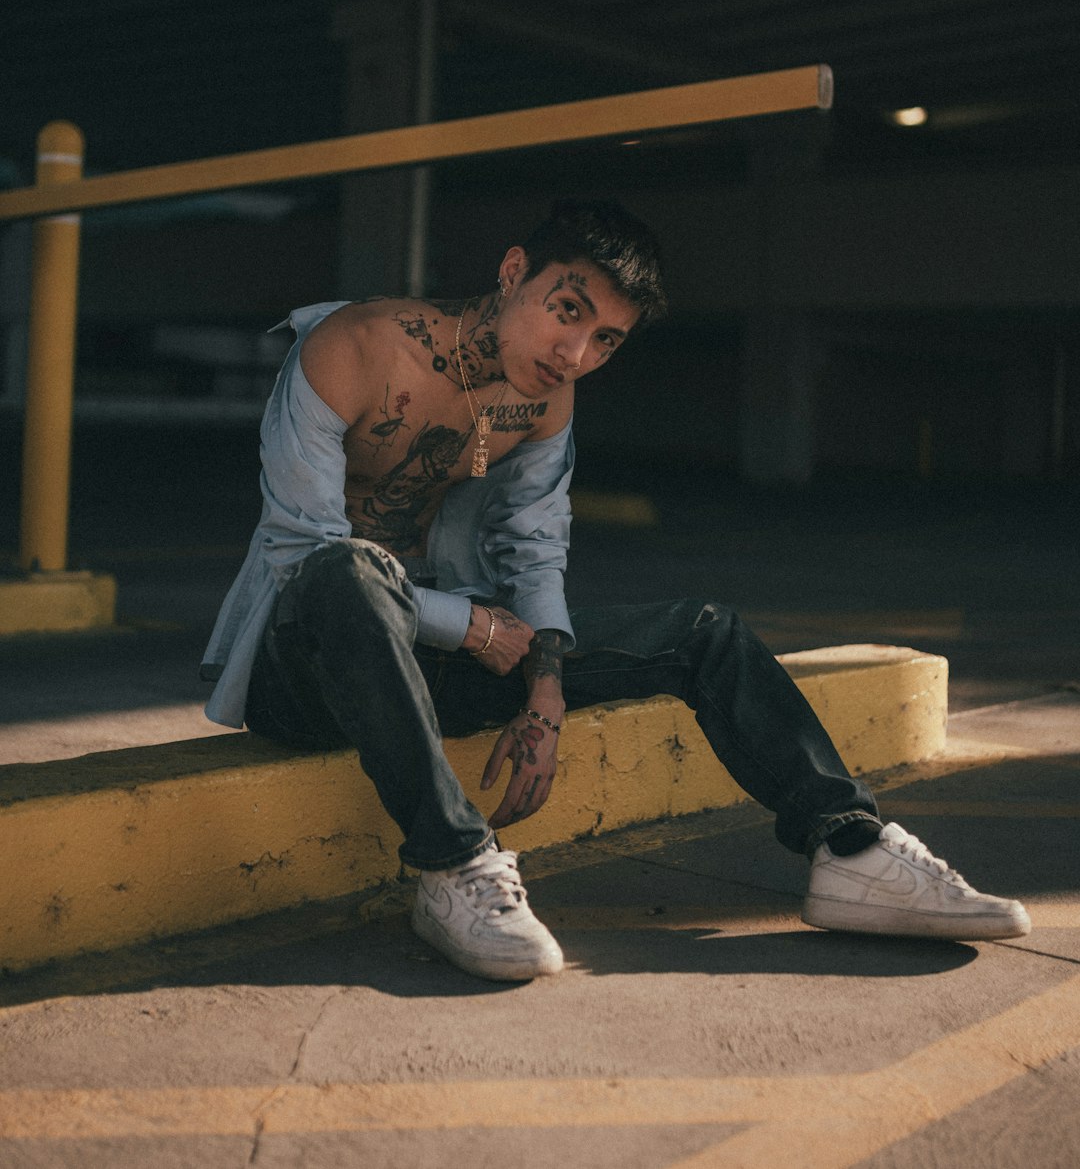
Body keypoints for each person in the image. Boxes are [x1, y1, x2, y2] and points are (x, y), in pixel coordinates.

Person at [202, 199, 1030, 980]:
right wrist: (476, 630)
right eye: (568, 310)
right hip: (308, 664)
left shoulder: (543, 396)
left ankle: (850, 849)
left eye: (606, 340)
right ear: (514, 269)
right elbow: (300, 555)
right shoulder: (353, 346)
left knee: (703, 630)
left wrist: (547, 682)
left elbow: (535, 541)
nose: (576, 355)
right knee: (350, 569)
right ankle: (453, 864)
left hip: (436, 652)